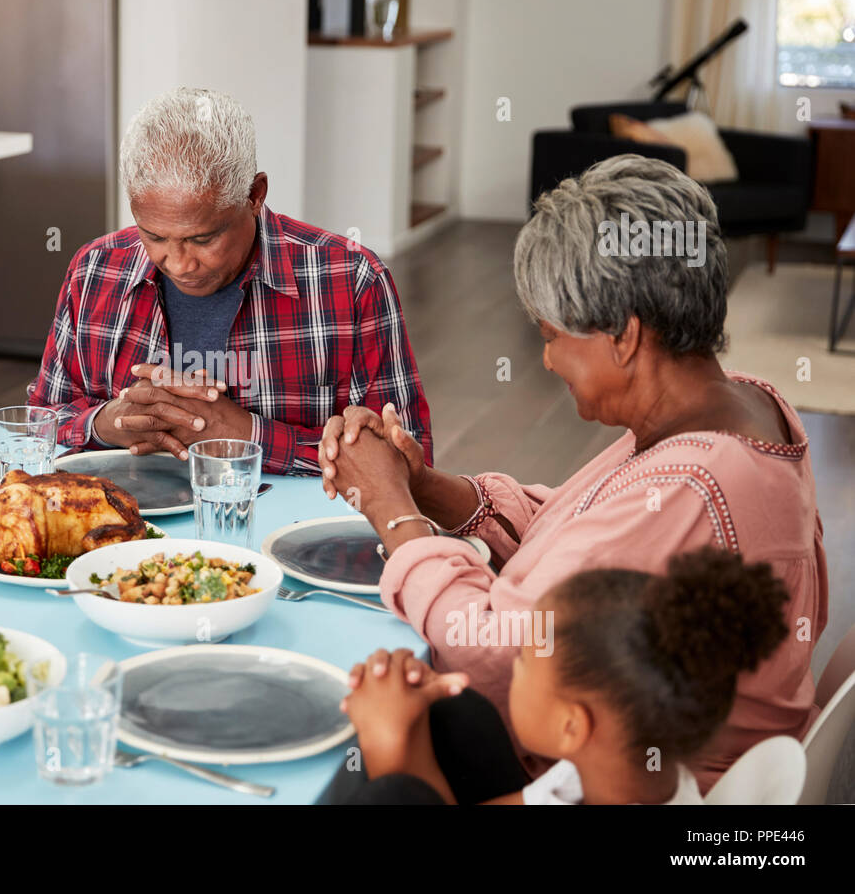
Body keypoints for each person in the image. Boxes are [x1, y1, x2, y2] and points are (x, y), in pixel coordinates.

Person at [318, 154, 827, 791]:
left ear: (624, 337)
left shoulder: (695, 488)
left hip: (639, 782)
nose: (548, 359)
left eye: (553, 335)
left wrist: (393, 510)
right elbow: (579, 526)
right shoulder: (735, 401)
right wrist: (424, 485)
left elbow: (493, 653)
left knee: (362, 748)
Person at [28, 86, 431, 475]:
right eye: (153, 236)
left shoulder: (351, 280)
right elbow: (39, 423)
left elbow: (406, 462)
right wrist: (105, 422)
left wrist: (246, 434)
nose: (180, 264)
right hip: (120, 534)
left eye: (202, 239)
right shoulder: (96, 269)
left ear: (255, 195)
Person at [320, 549, 789, 805]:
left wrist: (386, 741)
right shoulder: (620, 777)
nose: (512, 662)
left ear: (572, 725)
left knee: (392, 796)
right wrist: (408, 724)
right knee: (456, 713)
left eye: (524, 658)